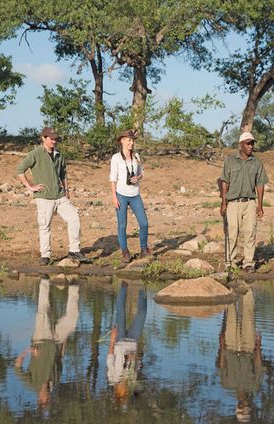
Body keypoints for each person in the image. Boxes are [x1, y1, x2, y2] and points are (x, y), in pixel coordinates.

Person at [16, 127, 89, 265]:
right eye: (51, 138)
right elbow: (20, 170)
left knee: (74, 218)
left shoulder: (59, 155)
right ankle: (45, 255)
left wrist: (66, 189)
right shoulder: (35, 154)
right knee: (45, 225)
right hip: (44, 196)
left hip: (60, 195)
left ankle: (74, 250)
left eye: (55, 139)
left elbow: (63, 174)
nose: (54, 141)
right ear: (43, 138)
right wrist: (30, 187)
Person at [14, 278, 80, 411]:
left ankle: (44, 281)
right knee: (72, 321)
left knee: (43, 311)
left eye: (44, 400)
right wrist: (64, 342)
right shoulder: (55, 381)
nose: (47, 397)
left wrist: (28, 351)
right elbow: (60, 360)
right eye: (48, 400)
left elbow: (17, 367)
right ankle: (74, 284)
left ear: (39, 398)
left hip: (41, 340)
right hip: (56, 342)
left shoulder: (32, 383)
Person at [219, 131, 269, 273]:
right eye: (247, 143)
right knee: (232, 232)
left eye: (252, 143)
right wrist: (224, 202)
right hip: (233, 203)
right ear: (240, 145)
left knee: (250, 232)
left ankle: (248, 263)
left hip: (250, 202)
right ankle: (230, 262)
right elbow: (224, 182)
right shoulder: (230, 161)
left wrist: (260, 205)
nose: (250, 146)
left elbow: (260, 184)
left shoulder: (257, 163)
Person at [217, 290, 264, 422]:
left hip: (230, 346)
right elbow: (258, 365)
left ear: (238, 406)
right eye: (246, 407)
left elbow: (222, 364)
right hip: (248, 347)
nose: (244, 404)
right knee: (248, 315)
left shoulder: (226, 384)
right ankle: (247, 287)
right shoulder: (254, 386)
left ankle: (232, 287)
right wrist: (258, 346)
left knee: (231, 314)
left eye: (242, 407)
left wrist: (221, 345)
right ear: (249, 406)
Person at [110, 130, 150, 264]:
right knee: (122, 225)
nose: (131, 143)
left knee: (144, 223)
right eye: (129, 140)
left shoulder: (136, 156)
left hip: (135, 194)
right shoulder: (116, 158)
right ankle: (125, 252)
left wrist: (137, 177)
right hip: (121, 194)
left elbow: (141, 173)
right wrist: (114, 197)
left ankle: (144, 249)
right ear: (122, 140)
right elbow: (113, 179)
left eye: (132, 140)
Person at [107, 281, 148, 406]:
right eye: (125, 393)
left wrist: (112, 340)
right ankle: (143, 287)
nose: (123, 390)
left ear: (117, 391)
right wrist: (135, 356)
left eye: (121, 392)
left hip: (119, 341)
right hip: (132, 343)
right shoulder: (132, 381)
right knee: (142, 313)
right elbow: (138, 363)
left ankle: (124, 286)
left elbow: (110, 358)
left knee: (121, 312)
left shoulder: (112, 378)